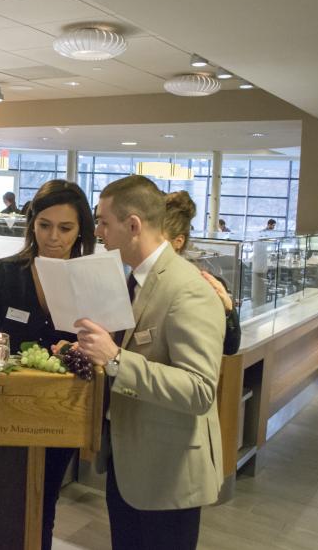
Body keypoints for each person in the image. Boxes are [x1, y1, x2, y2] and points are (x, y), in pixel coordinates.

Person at [75, 175, 225, 550]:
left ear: (133, 225)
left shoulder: (186, 289)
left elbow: (199, 390)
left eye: (104, 222)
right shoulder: (136, 280)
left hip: (168, 473)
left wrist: (114, 358)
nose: (98, 232)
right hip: (129, 464)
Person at [0, 180, 96, 550]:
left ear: (81, 229)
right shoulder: (7, 272)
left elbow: (106, 343)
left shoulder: (91, 279)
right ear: (31, 224)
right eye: (44, 225)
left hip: (61, 407)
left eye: (65, 228)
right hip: (4, 403)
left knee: (43, 497)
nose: (53, 237)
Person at [164, 191, 241, 355]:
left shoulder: (203, 282)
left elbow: (230, 346)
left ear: (178, 241)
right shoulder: (138, 279)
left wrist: (228, 310)